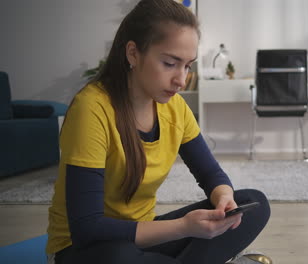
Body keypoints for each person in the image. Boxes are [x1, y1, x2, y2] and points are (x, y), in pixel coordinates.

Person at [45, 0, 270, 263]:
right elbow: (88, 228)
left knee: (254, 203)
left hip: (144, 238)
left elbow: (211, 174)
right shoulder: (92, 109)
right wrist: (184, 227)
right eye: (170, 63)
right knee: (120, 256)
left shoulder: (175, 108)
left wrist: (224, 199)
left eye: (187, 65)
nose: (181, 79)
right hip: (84, 249)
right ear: (133, 53)